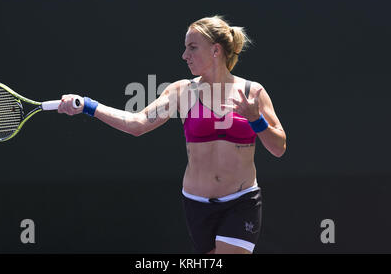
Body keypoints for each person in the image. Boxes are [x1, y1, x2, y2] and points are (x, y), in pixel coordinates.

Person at [58, 15, 286, 254]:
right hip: (196, 205)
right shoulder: (182, 91)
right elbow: (138, 124)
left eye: (192, 47)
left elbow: (279, 148)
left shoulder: (253, 92)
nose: (184, 55)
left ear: (216, 50)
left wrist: (255, 120)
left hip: (241, 202)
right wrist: (87, 105)